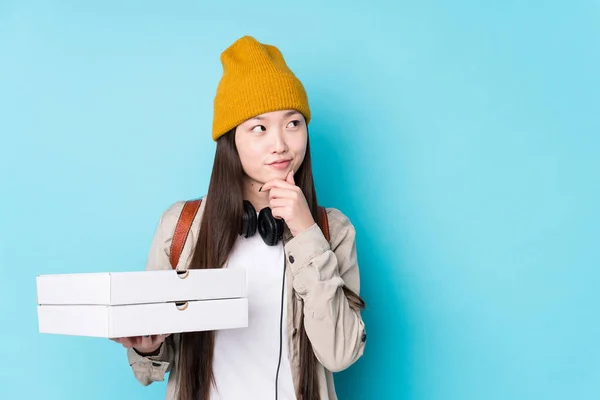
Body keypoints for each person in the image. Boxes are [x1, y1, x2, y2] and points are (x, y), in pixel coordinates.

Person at [111, 35, 367, 400]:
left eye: (293, 123)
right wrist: (148, 346)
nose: (280, 143)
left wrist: (305, 230)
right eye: (259, 128)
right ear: (231, 140)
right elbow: (151, 365)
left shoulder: (332, 230)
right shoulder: (181, 227)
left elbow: (340, 353)